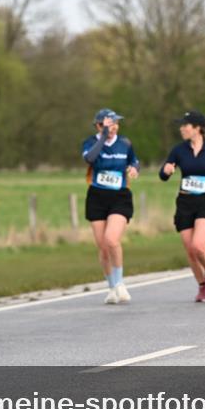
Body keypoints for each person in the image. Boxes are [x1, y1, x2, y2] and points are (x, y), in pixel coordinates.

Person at [160, 111, 205, 302]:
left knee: (198, 245)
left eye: (186, 125)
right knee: (190, 251)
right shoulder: (178, 150)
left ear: (197, 128)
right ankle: (201, 286)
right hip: (185, 203)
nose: (182, 128)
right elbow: (163, 175)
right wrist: (166, 170)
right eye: (181, 125)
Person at [81, 108, 139, 304]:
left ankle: (120, 283)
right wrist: (103, 136)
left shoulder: (125, 143)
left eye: (116, 124)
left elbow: (134, 161)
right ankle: (112, 287)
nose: (114, 127)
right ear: (99, 126)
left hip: (120, 196)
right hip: (97, 197)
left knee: (111, 240)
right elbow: (90, 158)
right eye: (109, 124)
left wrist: (134, 168)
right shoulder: (90, 142)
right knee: (103, 247)